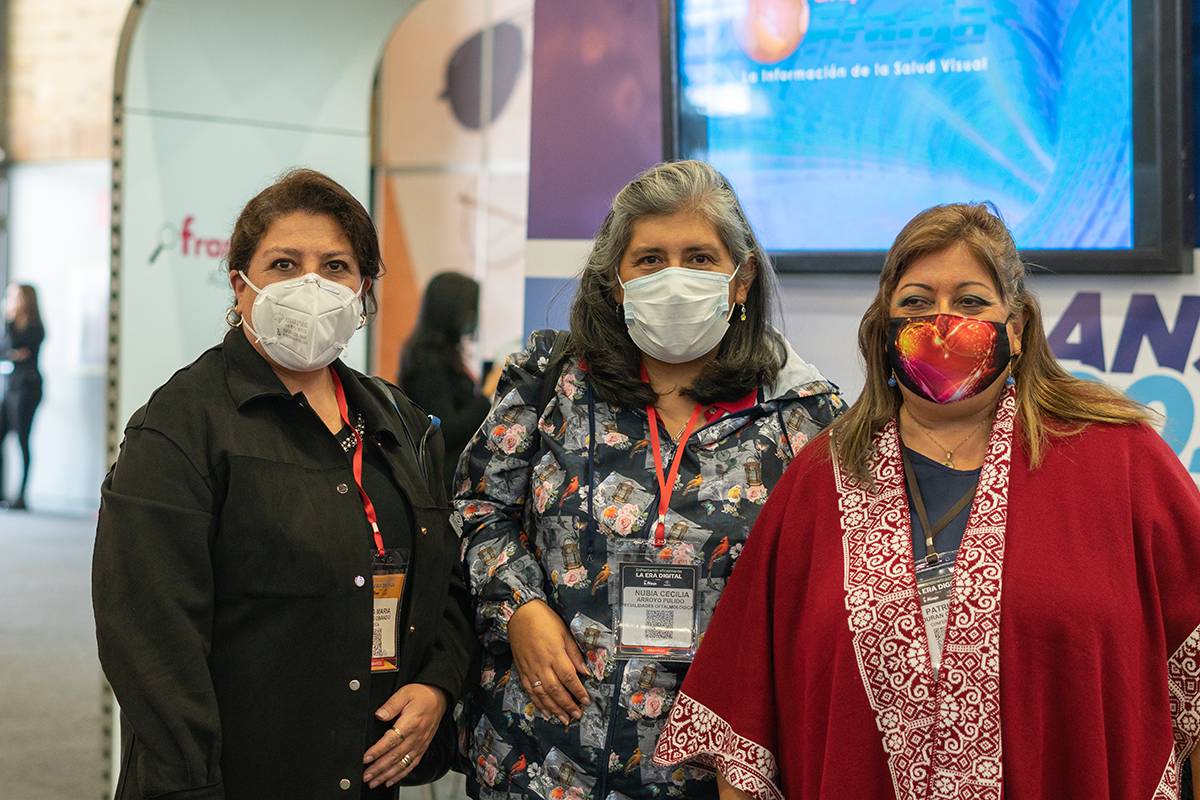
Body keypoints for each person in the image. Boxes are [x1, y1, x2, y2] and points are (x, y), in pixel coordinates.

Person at [653, 203, 1200, 799]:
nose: (942, 323)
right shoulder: (819, 480)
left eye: (970, 301)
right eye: (915, 303)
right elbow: (742, 733)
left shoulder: (1119, 461)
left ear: (1016, 327)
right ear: (884, 331)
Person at [455, 160, 845, 800]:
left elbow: (824, 595)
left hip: (708, 776)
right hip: (538, 758)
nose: (674, 278)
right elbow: (477, 507)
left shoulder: (804, 419)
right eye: (650, 260)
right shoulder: (551, 382)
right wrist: (518, 606)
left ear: (741, 279)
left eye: (700, 258)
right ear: (615, 281)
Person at [92, 169, 476, 800]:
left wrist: (438, 682)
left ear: (363, 289)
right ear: (239, 284)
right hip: (237, 777)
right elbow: (149, 637)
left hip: (366, 773)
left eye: (335, 266)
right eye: (284, 264)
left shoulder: (400, 423)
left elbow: (450, 581)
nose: (311, 285)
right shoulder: (182, 424)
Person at [398, 272, 502, 491]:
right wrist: (487, 392)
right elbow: (445, 428)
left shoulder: (444, 355)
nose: (474, 317)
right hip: (440, 481)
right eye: (470, 310)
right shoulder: (427, 360)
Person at [0, 283, 44, 509]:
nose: (11, 299)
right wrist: (13, 353)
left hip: (28, 389)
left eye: (15, 295)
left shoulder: (35, 326)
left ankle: (21, 496)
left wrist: (13, 352)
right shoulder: (10, 324)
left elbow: (23, 350)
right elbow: (5, 350)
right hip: (10, 388)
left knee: (22, 440)